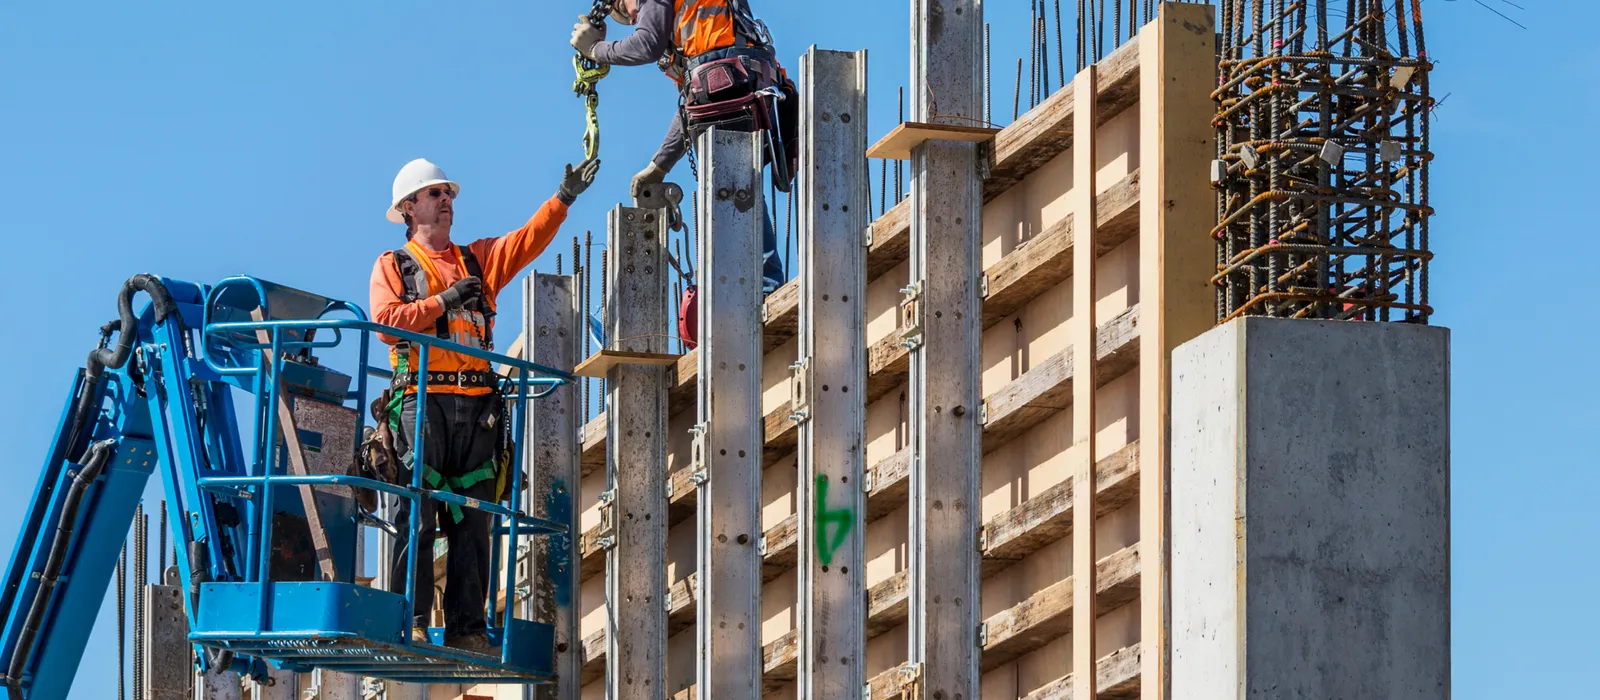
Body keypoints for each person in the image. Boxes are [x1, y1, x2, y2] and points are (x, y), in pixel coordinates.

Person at [369, 156, 599, 652]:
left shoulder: (476, 260)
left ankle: (468, 628)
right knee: (419, 510)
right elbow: (387, 322)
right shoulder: (395, 266)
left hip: (476, 408)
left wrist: (563, 199)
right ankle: (406, 619)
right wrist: (444, 302)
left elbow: (526, 240)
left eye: (448, 193)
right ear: (409, 208)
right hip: (421, 400)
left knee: (475, 518)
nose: (446, 200)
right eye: (435, 194)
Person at [570, 0, 794, 300]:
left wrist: (596, 49)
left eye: (629, 10)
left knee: (733, 190)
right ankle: (757, 287)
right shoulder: (700, 36)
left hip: (729, 82)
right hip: (745, 81)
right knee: (739, 188)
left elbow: (647, 44)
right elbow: (694, 100)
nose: (637, 16)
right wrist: (659, 166)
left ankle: (761, 290)